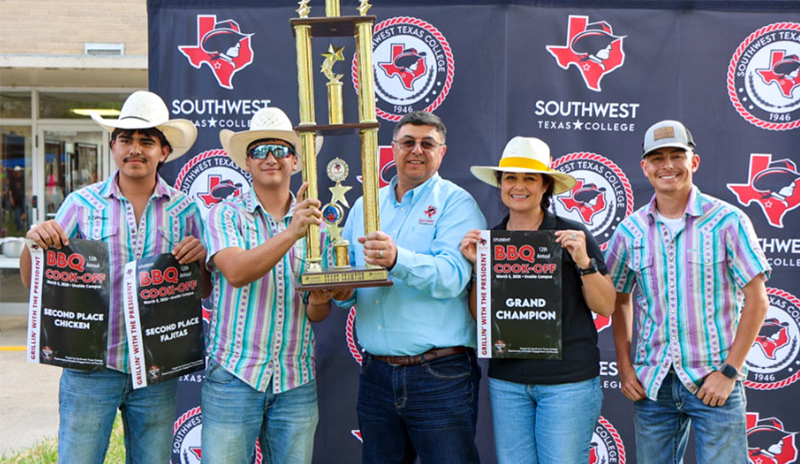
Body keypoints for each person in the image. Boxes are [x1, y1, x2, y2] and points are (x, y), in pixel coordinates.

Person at [19, 90, 207, 463]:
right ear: (113, 147)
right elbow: (34, 282)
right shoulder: (80, 205)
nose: (135, 149)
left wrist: (199, 261)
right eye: (126, 139)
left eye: (146, 141)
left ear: (164, 152)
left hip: (156, 371)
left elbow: (203, 290)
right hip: (90, 368)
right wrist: (33, 243)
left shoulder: (187, 211)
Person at [605, 119, 771, 464]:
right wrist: (624, 367)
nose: (667, 166)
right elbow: (618, 300)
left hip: (715, 381)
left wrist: (729, 372)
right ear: (645, 168)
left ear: (693, 161)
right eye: (657, 158)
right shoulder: (630, 231)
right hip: (653, 385)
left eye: (676, 156)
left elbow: (758, 301)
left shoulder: (728, 221)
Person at [336, 110, 487, 464]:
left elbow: (453, 277)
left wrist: (396, 259)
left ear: (442, 153)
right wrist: (338, 291)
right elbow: (350, 284)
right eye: (407, 142)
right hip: (375, 373)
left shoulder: (457, 203)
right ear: (393, 149)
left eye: (427, 144)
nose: (416, 150)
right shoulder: (364, 206)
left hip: (439, 374)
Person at [201, 107, 347, 464]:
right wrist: (291, 232)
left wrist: (320, 299)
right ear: (246, 163)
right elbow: (236, 272)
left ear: (296, 162)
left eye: (280, 150)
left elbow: (317, 313)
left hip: (295, 379)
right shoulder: (225, 213)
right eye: (260, 151)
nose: (270, 158)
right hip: (235, 374)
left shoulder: (317, 225)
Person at [460, 136, 616, 464]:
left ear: (545, 186)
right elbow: (481, 317)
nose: (519, 186)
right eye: (510, 178)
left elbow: (605, 306)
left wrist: (584, 262)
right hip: (509, 382)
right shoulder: (490, 241)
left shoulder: (571, 236)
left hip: (567, 382)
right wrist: (478, 269)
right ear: (500, 184)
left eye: (529, 178)